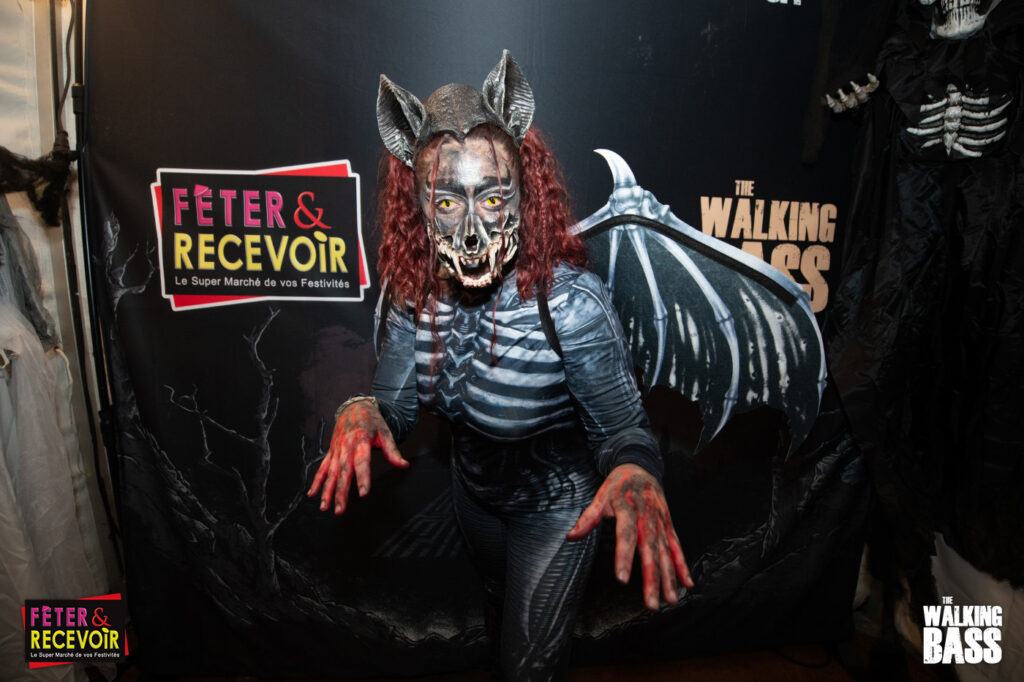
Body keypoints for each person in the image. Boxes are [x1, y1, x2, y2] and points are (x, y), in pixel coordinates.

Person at [307, 51, 691, 681]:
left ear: (523, 193)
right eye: (447, 204)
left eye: (491, 198)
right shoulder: (412, 293)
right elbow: (396, 406)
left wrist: (633, 468)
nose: (472, 232)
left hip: (556, 504)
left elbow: (623, 430)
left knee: (529, 667)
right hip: (474, 495)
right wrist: (361, 407)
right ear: (417, 204)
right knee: (495, 615)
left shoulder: (568, 304)